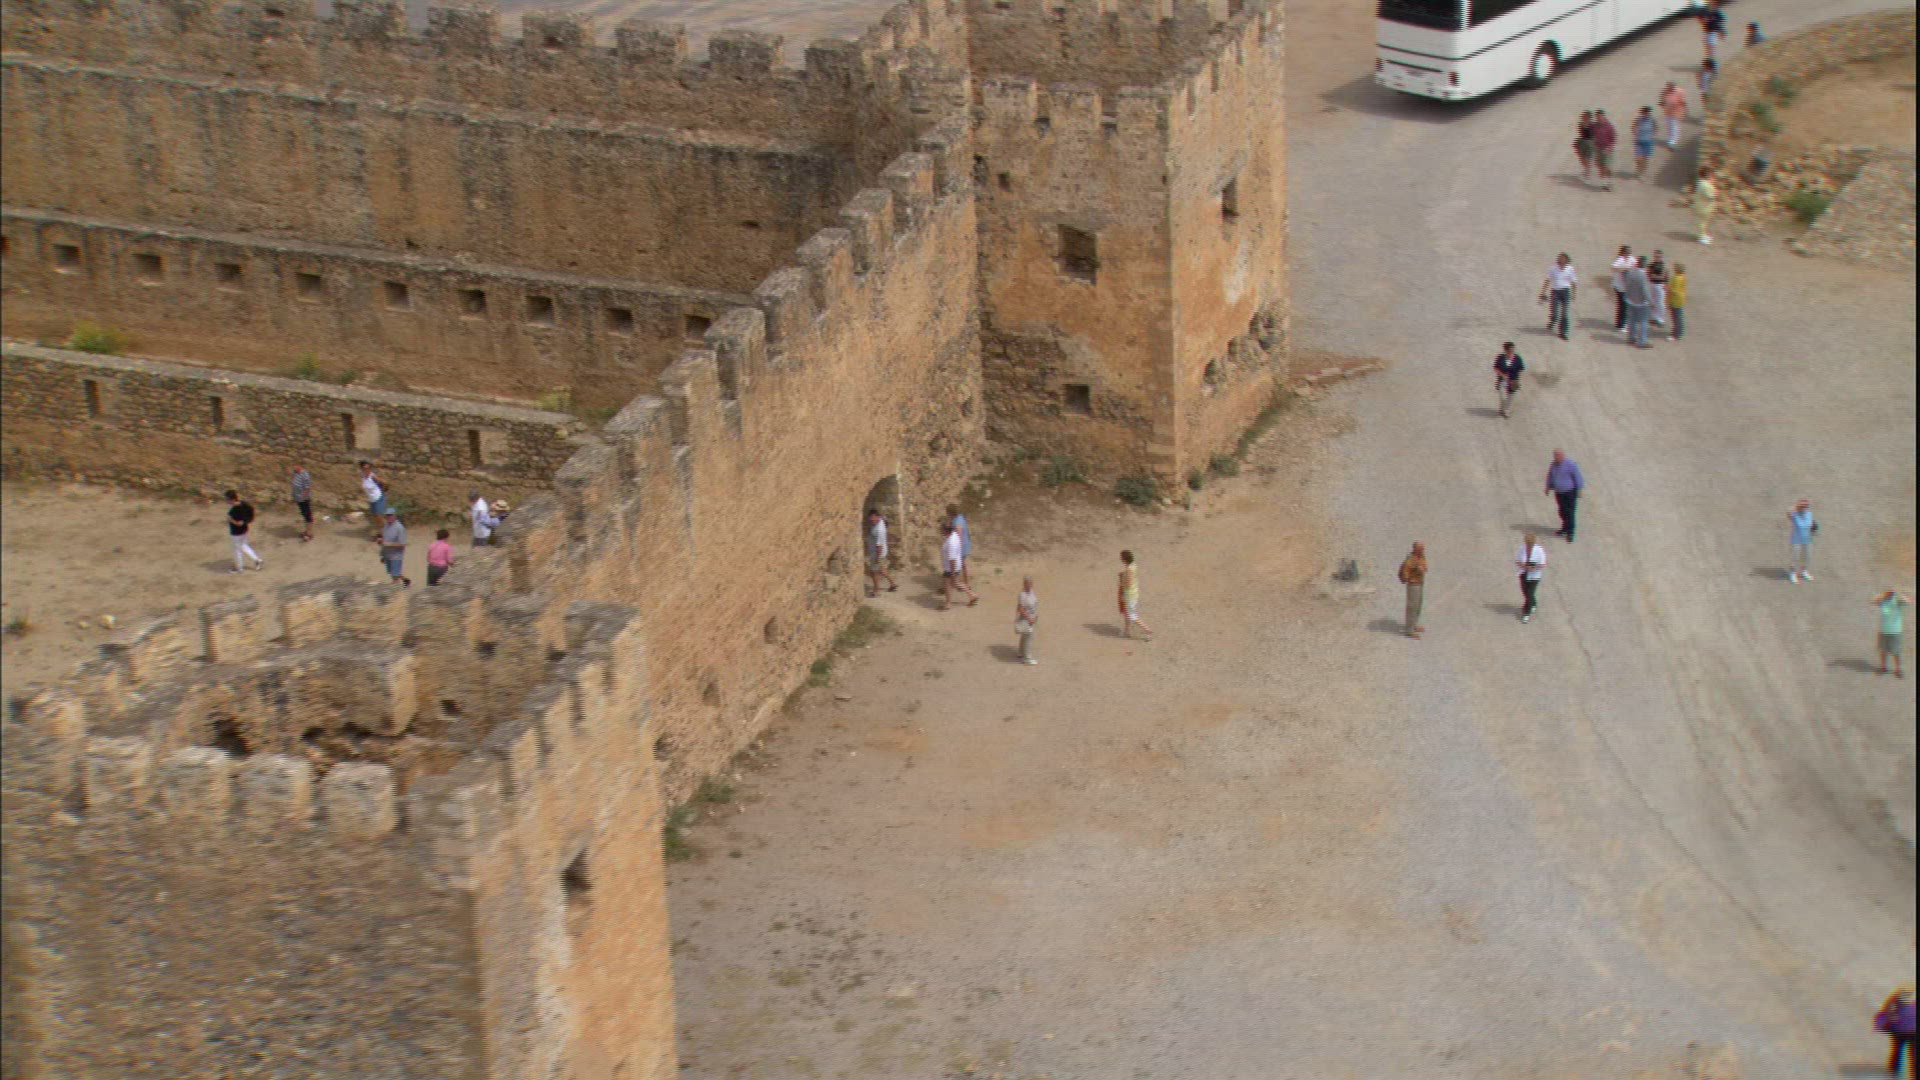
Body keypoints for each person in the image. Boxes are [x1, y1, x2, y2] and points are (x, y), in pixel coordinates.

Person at [1876, 984, 1916, 1074]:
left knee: (1897, 1051)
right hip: (1912, 1030)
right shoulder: (1912, 1000)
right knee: (1913, 1053)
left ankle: (1893, 1071)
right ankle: (1913, 1073)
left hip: (1899, 1029)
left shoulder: (1895, 998)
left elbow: (1885, 1010)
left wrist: (1888, 1020)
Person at [1545, 450, 1584, 542]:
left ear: (1563, 455)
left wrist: (1579, 489)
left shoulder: (1571, 464)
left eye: (1558, 455)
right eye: (1555, 456)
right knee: (1562, 511)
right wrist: (1548, 487)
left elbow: (1578, 477)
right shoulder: (1553, 465)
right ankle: (1565, 528)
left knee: (1570, 512)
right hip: (1559, 492)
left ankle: (1570, 533)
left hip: (1569, 492)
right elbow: (1550, 476)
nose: (1556, 457)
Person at [224, 490, 265, 574]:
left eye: (227, 499)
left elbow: (238, 523)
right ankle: (257, 560)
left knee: (237, 550)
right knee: (243, 546)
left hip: (237, 532)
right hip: (244, 530)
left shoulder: (235, 510)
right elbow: (251, 511)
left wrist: (231, 520)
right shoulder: (243, 504)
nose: (226, 501)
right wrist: (245, 521)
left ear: (232, 499)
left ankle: (239, 568)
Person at [1117, 549, 1153, 639]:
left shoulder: (1129, 569)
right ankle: (1126, 632)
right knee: (1126, 613)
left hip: (1129, 595)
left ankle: (1147, 630)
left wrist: (1121, 580)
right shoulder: (1133, 565)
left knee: (1132, 616)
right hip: (1133, 593)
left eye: (1121, 558)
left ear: (1124, 559)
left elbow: (1128, 585)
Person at [939, 524, 977, 610]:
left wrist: (952, 574)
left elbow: (952, 559)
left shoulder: (951, 542)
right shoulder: (953, 535)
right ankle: (972, 595)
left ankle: (948, 604)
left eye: (942, 529)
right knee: (954, 583)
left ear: (946, 531)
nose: (940, 531)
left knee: (949, 584)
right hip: (953, 566)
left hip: (951, 567)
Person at [1540, 253, 1577, 340]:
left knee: (1565, 313)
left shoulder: (1570, 269)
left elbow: (1573, 282)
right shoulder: (1553, 268)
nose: (1560, 260)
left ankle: (1563, 332)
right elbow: (1547, 280)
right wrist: (1542, 292)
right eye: (1559, 258)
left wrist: (1574, 294)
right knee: (1555, 312)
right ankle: (1553, 320)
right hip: (1555, 291)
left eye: (1562, 259)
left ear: (1566, 260)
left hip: (1565, 291)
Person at [1622, 256, 1655, 349]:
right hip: (1641, 303)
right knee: (1643, 322)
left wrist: (1627, 297)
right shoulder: (1643, 276)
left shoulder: (1631, 273)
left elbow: (1627, 285)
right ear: (1645, 265)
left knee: (1631, 320)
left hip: (1631, 300)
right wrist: (1651, 302)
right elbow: (1645, 291)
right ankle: (1642, 342)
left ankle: (1631, 338)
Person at [864, 508, 898, 598]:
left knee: (874, 572)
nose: (872, 521)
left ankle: (876, 591)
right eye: (870, 519)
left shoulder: (880, 530)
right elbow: (884, 519)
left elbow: (879, 546)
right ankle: (893, 584)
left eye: (873, 519)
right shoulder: (880, 520)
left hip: (877, 553)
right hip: (878, 552)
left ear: (877, 517)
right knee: (881, 570)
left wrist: (877, 558)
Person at [1397, 542, 1427, 639]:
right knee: (1412, 606)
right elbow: (1405, 572)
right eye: (1421, 548)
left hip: (1420, 582)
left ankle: (1414, 624)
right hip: (1413, 584)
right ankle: (1409, 630)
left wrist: (1422, 569)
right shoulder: (1410, 559)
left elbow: (1425, 567)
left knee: (1418, 605)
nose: (1423, 550)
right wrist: (1413, 572)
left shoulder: (1421, 556)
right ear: (1415, 549)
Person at [1876, 590, 1909, 677]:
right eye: (1887, 592)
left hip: (1895, 631)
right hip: (1884, 630)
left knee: (1896, 652)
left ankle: (1898, 669)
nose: (1889, 594)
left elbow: (1907, 601)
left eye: (1891, 592)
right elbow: (1873, 601)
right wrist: (1882, 595)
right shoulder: (1883, 601)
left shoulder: (1897, 601)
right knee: (1883, 650)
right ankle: (1883, 667)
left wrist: (1901, 596)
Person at [1516, 533, 1547, 623]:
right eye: (1527, 544)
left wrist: (1534, 567)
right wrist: (1524, 566)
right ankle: (1533, 603)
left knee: (1529, 593)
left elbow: (1543, 564)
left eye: (1530, 544)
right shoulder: (1522, 548)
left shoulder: (1539, 550)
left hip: (1534, 576)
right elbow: (1518, 560)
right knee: (1525, 592)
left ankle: (1526, 613)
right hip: (1524, 574)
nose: (1528, 546)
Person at [1786, 499, 1817, 583]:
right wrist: (1796, 506)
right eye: (1802, 506)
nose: (1804, 507)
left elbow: (1811, 524)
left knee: (1806, 557)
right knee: (1795, 557)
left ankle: (1804, 571)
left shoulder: (1809, 514)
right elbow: (1788, 511)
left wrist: (1814, 529)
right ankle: (1792, 573)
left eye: (1806, 506)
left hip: (1807, 540)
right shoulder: (1794, 514)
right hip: (1796, 540)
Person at [1493, 342, 1525, 418]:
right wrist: (1502, 375)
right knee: (1503, 397)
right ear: (1505, 350)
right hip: (1502, 380)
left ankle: (1506, 411)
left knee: (1511, 397)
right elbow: (1496, 368)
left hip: (1513, 380)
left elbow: (1521, 369)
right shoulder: (1500, 357)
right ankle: (1502, 407)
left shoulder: (1517, 358)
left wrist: (1517, 380)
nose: (1511, 351)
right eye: (1510, 350)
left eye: (1513, 350)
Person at [379, 511, 411, 588]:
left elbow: (402, 544)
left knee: (394, 577)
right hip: (387, 554)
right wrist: (382, 554)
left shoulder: (399, 528)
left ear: (395, 516)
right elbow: (384, 539)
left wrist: (389, 544)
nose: (388, 517)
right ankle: (405, 580)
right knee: (393, 572)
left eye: (390, 515)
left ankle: (395, 590)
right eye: (387, 515)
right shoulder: (386, 525)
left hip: (396, 556)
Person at [359, 461, 389, 539]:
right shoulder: (363, 477)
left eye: (368, 468)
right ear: (362, 469)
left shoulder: (372, 476)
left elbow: (385, 482)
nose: (367, 470)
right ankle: (380, 533)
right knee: (376, 518)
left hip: (379, 497)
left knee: (379, 517)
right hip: (372, 499)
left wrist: (384, 490)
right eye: (365, 468)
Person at [1590, 109, 1618, 190]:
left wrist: (1610, 147)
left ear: (1603, 116)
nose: (1598, 118)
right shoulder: (1595, 126)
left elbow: (1613, 138)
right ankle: (1604, 183)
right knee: (1599, 166)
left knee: (1606, 166)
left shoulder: (1609, 126)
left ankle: (1608, 183)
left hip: (1607, 148)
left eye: (1600, 116)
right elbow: (1592, 136)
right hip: (1598, 148)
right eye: (1597, 116)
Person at [947, 504, 973, 587]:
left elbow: (959, 534)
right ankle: (966, 583)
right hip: (965, 545)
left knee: (957, 565)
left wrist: (958, 548)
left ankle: (957, 584)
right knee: (962, 564)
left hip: (961, 547)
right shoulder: (959, 517)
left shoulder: (957, 521)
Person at [1014, 576, 1039, 665]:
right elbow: (1021, 609)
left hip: (1031, 618)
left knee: (1024, 636)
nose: (1029, 585)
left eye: (1030, 583)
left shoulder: (1032, 592)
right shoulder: (1022, 595)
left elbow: (1034, 604)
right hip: (1026, 619)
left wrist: (1035, 616)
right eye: (1027, 583)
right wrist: (1029, 618)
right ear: (1024, 584)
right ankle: (1027, 658)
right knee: (1029, 637)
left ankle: (1021, 652)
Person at [1611, 245, 1636, 330]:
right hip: (1620, 286)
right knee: (1623, 306)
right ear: (1622, 252)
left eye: (1629, 252)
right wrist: (1625, 269)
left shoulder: (1631, 259)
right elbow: (1613, 268)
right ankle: (1622, 325)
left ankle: (1620, 323)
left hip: (1627, 286)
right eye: (1626, 252)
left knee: (1623, 305)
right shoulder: (1620, 259)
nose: (1628, 254)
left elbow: (1636, 265)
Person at [1690, 166, 1717, 245]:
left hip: (1702, 207)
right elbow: (1709, 197)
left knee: (1704, 222)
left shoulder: (1701, 183)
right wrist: (1715, 193)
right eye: (1713, 176)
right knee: (1702, 223)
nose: (1714, 179)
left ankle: (1703, 235)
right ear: (1709, 176)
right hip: (1704, 208)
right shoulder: (1706, 185)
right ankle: (1701, 237)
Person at [1645, 250, 1669, 328]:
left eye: (1658, 256)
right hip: (1652, 285)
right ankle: (1653, 318)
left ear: (1661, 257)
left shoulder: (1663, 266)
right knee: (1653, 301)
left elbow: (1663, 277)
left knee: (1660, 303)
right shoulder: (1651, 265)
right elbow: (1648, 275)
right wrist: (1655, 277)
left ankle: (1661, 320)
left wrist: (1654, 276)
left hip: (1660, 285)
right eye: (1655, 256)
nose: (1657, 258)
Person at [290, 465, 314, 542]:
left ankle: (309, 534)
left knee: (307, 515)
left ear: (300, 466)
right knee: (304, 514)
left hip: (303, 499)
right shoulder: (296, 473)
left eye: (295, 466)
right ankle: (306, 531)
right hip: (299, 499)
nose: (293, 467)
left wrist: (303, 498)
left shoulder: (305, 475)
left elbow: (307, 488)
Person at [1631, 106, 1657, 178]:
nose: (1645, 114)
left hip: (1648, 142)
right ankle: (1639, 170)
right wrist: (1635, 132)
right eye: (1644, 112)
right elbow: (1633, 126)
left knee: (1645, 159)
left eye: (1647, 112)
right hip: (1639, 141)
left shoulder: (1652, 120)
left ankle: (1642, 171)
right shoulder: (1638, 119)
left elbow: (1655, 128)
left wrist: (1652, 135)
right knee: (1638, 158)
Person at [1659, 82, 1688, 147]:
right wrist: (1662, 105)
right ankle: (1671, 139)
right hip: (1667, 111)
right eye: (1668, 88)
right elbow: (1662, 99)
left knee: (1674, 126)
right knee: (1669, 126)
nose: (1669, 89)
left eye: (1671, 88)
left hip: (1676, 111)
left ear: (1673, 87)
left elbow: (1682, 102)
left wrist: (1683, 111)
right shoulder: (1665, 91)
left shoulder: (1679, 91)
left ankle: (1673, 141)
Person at [1573, 110, 1597, 182]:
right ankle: (1586, 169)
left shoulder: (1593, 125)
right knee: (1581, 157)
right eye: (1583, 116)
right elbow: (1581, 133)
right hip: (1582, 141)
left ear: (1589, 117)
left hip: (1590, 142)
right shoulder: (1581, 124)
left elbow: (1595, 134)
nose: (1583, 117)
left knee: (1587, 158)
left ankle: (1587, 171)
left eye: (1585, 116)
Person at [1667, 262, 1688, 340]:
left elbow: (1675, 291)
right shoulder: (1682, 277)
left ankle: (1676, 335)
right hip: (1680, 300)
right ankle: (1677, 332)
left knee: (1676, 318)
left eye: (1675, 267)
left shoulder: (1677, 279)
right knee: (1677, 317)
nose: (1674, 268)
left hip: (1675, 300)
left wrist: (1668, 289)